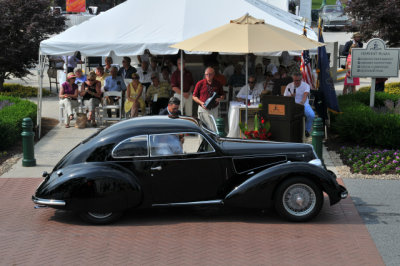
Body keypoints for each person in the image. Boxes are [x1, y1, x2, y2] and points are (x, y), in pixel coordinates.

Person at [284, 73, 315, 137]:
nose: (296, 82)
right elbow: (285, 98)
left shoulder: (305, 85)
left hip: (303, 105)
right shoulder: (289, 86)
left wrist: (301, 103)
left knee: (311, 115)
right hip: (291, 105)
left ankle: (306, 130)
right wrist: (291, 96)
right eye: (295, 80)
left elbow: (305, 96)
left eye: (298, 80)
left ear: (301, 79)